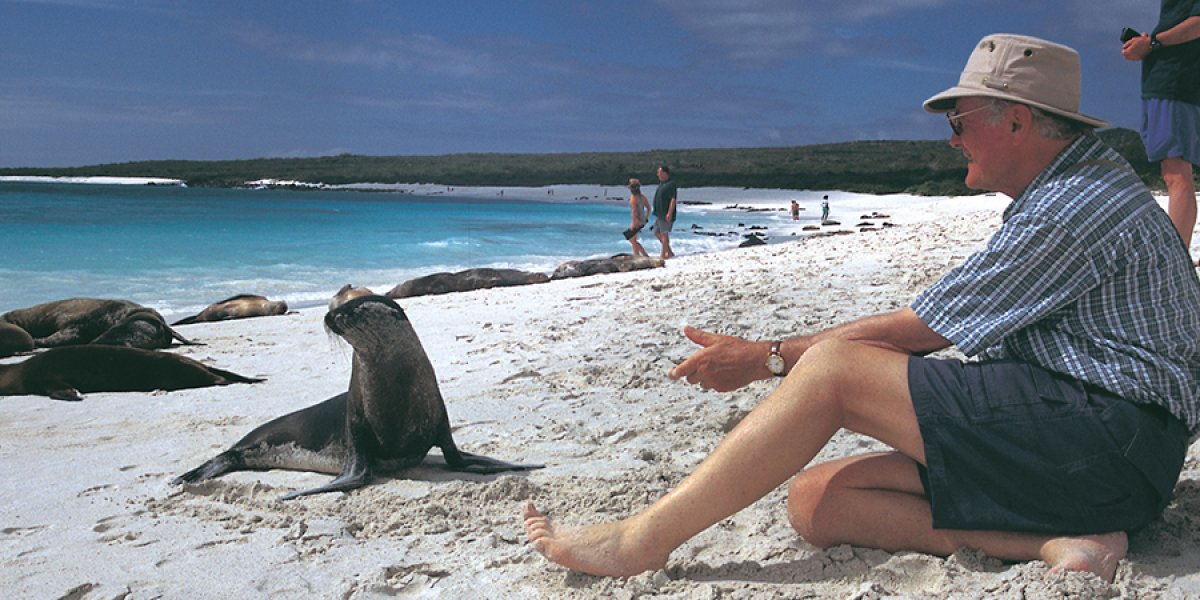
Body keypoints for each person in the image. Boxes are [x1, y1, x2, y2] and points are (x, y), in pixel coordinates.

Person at [524, 34, 1200, 583]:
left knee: (836, 371)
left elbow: (923, 330)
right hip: (1105, 453)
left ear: (1018, 120)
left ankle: (638, 541)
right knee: (817, 502)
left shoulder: (1071, 206)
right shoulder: (1084, 188)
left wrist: (765, 358)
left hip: (1103, 440)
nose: (952, 138)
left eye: (960, 122)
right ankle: (1063, 541)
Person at [1122, 1, 1200, 256]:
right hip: (1167, 85)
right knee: (1174, 172)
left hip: (1174, 84)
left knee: (1176, 173)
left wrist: (1152, 44)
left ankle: (1176, 258)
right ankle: (1177, 254)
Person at [651, 166, 677, 259]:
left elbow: (673, 199)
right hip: (659, 213)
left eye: (659, 172)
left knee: (664, 234)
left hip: (665, 213)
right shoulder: (662, 183)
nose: (658, 174)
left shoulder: (671, 184)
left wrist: (669, 212)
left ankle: (663, 255)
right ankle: (669, 252)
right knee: (656, 232)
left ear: (665, 173)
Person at [624, 178, 651, 257]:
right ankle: (637, 255)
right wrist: (645, 218)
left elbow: (634, 212)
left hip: (637, 221)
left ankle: (645, 255)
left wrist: (633, 224)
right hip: (642, 220)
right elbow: (649, 208)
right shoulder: (643, 197)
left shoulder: (633, 198)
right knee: (633, 239)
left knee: (631, 239)